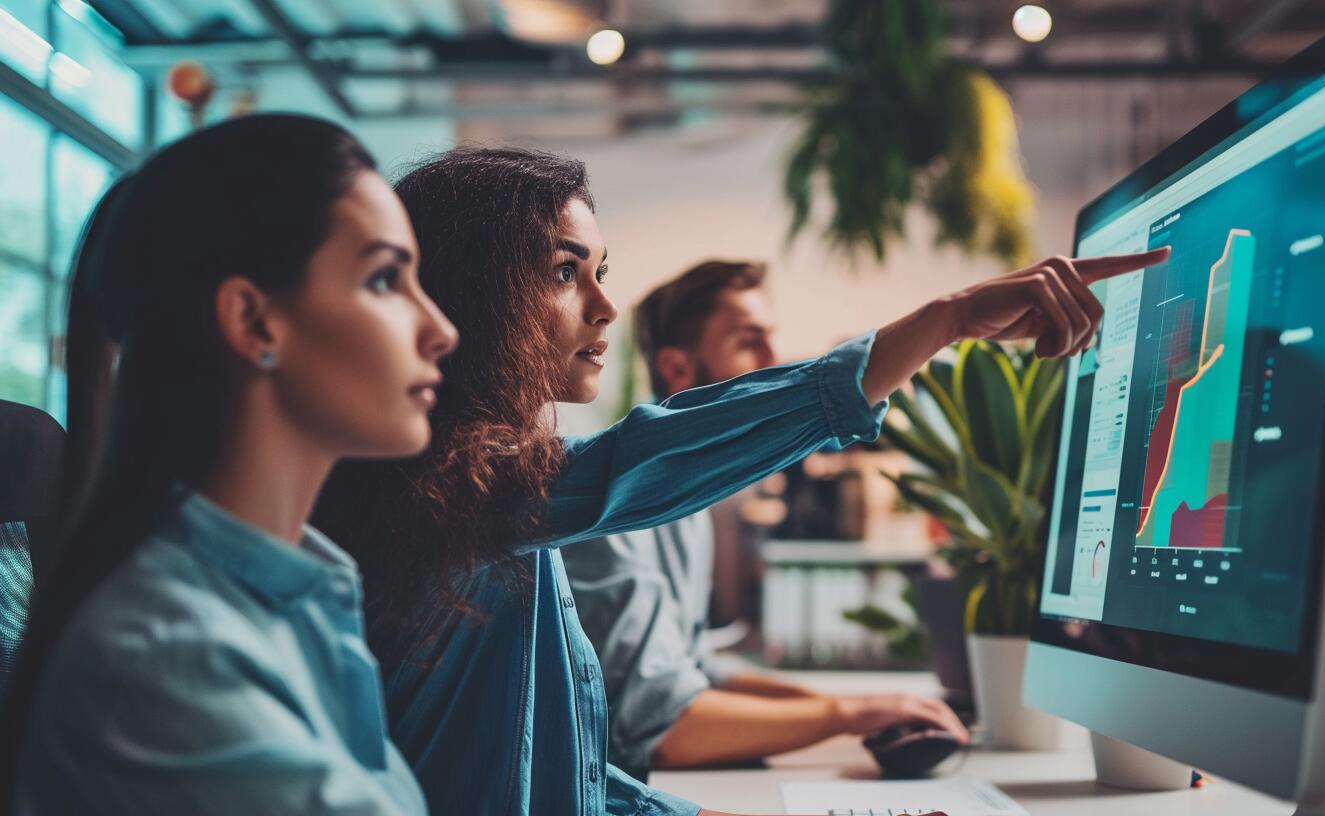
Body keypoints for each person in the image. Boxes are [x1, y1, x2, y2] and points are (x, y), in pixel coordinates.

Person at [313, 145, 1169, 816]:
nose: (604, 308)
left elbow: (559, 781)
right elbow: (630, 463)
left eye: (600, 274)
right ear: (472, 291)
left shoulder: (507, 514)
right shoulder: (449, 493)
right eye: (565, 272)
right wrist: (940, 322)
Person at [2, 114, 459, 814]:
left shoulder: (292, 593)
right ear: (252, 322)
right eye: (383, 280)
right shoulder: (169, 658)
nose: (440, 328)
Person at [562, 259, 967, 777]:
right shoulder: (620, 508)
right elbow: (665, 727)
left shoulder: (690, 508)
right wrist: (843, 715)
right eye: (749, 341)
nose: (775, 360)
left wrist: (858, 706)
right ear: (678, 369)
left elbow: (696, 671)